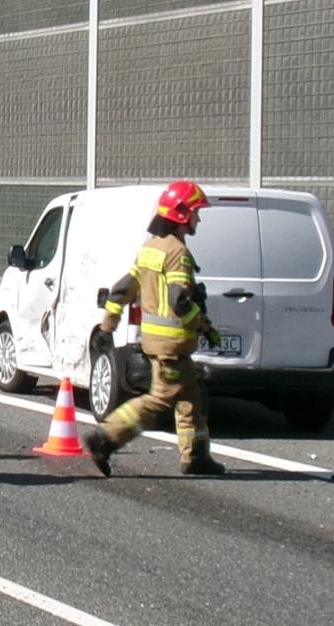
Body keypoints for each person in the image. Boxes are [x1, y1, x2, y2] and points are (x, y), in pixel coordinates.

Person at [83, 180, 226, 477]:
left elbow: (122, 289)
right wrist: (203, 325)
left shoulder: (150, 248)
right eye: (196, 212)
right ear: (182, 214)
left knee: (190, 400)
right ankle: (106, 438)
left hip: (159, 343)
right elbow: (179, 302)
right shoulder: (178, 254)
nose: (198, 218)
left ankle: (196, 457)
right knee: (159, 399)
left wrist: (107, 324)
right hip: (171, 345)